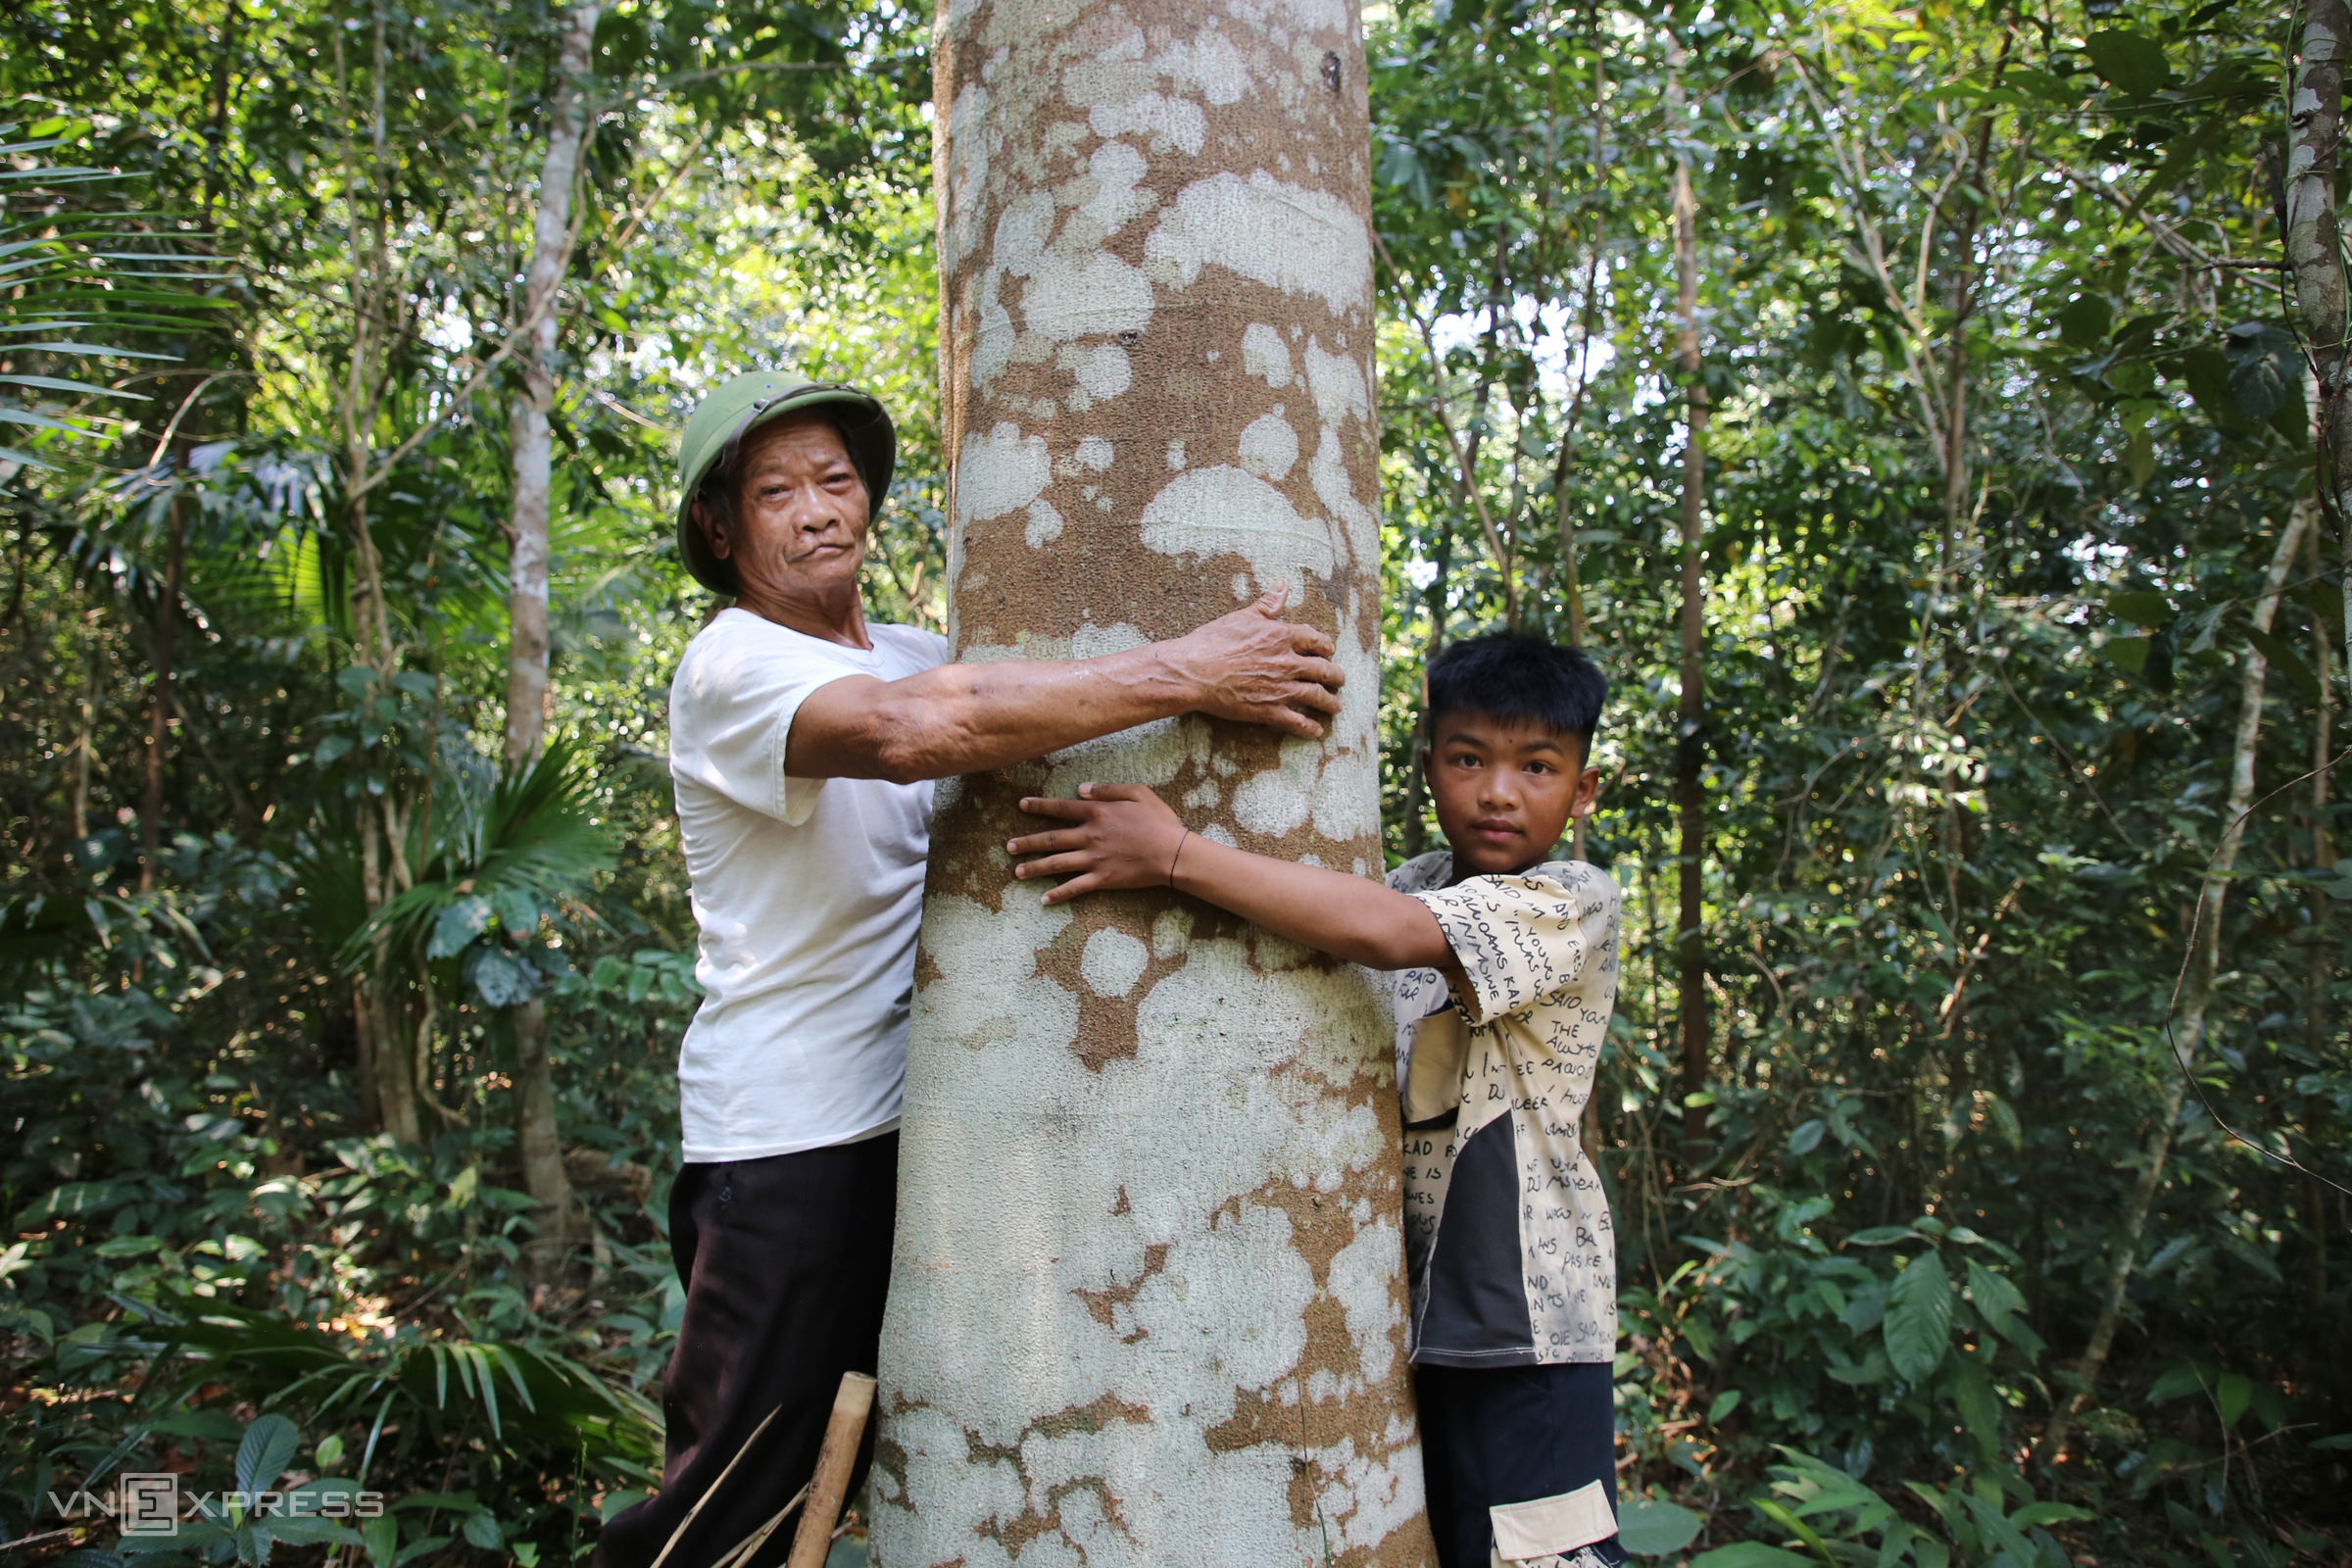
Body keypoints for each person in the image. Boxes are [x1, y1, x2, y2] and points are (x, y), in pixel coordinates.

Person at [591, 368, 1348, 1568]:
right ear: (718, 529)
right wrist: (1192, 670)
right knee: (732, 1505)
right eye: (777, 491)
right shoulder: (731, 668)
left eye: (836, 479)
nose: (818, 510)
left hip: (951, 1110)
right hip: (796, 1140)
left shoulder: (909, 646)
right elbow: (912, 733)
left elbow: (1000, 706)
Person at [1006, 631, 1625, 1568]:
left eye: (1537, 767)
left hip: (1525, 1331)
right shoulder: (1415, 879)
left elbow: (1382, 934)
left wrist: (1173, 852)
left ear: (1582, 792)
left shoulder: (1571, 898)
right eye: (1469, 759)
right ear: (1427, 770)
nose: (1499, 791)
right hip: (1408, 1323)